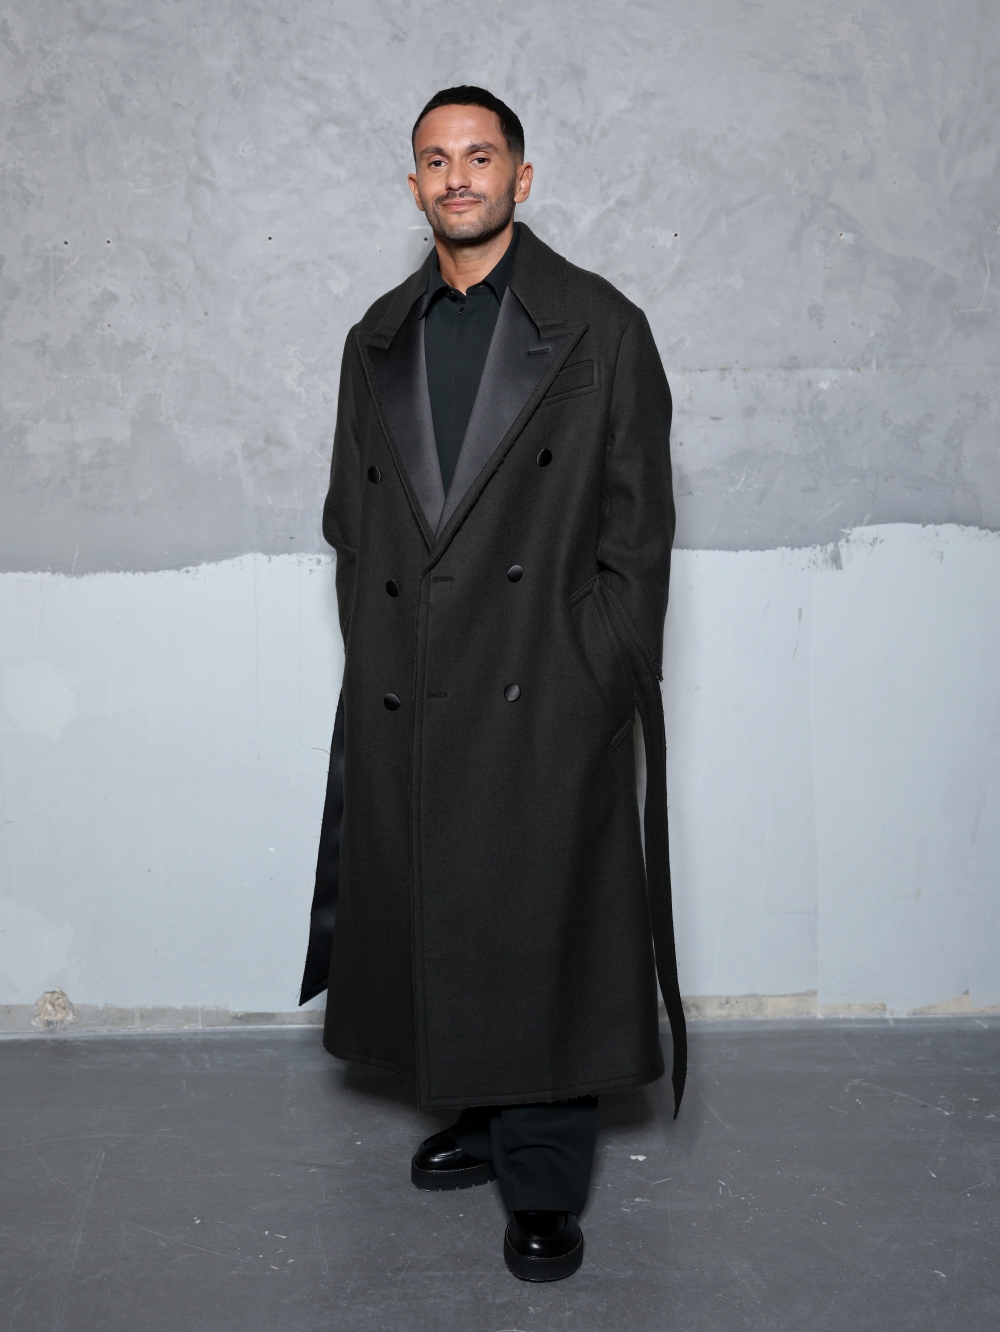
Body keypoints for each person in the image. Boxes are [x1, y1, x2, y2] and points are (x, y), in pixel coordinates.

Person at [300, 85, 685, 1282]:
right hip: (417, 685)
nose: (457, 175)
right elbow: (350, 521)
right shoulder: (378, 335)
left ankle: (544, 1176)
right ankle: (478, 1103)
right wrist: (377, 655)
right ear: (412, 185)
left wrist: (595, 677)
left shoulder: (600, 327)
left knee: (539, 929)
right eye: (434, 159)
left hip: (537, 688)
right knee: (441, 914)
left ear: (523, 178)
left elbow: (638, 535)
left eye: (480, 156)